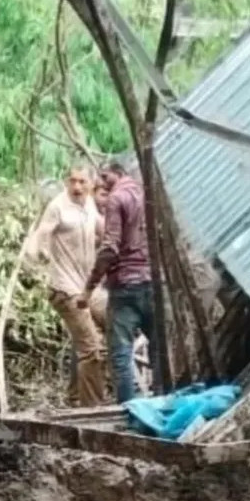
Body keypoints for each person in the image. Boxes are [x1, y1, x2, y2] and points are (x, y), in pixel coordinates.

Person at [26, 167, 106, 406]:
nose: (77, 187)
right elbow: (41, 234)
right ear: (66, 182)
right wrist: (35, 252)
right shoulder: (57, 206)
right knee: (91, 349)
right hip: (65, 288)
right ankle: (93, 408)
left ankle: (74, 395)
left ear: (91, 184)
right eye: (72, 181)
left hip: (89, 287)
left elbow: (103, 230)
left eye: (82, 182)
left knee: (119, 320)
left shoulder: (90, 204)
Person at [81, 159, 157, 404]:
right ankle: (165, 400)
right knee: (160, 349)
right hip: (152, 283)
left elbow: (110, 247)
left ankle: (128, 409)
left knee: (121, 354)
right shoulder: (148, 193)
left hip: (125, 286)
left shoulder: (117, 198)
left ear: (116, 173)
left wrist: (90, 286)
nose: (103, 183)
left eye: (105, 177)